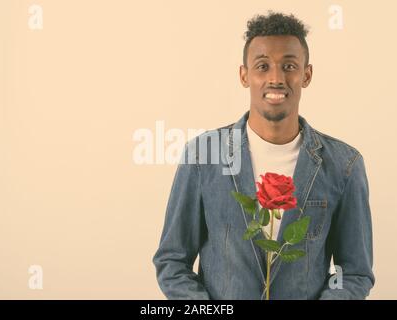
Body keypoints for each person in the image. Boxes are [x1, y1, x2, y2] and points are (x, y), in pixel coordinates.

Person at [153, 11, 375, 299]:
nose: (276, 78)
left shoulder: (344, 165)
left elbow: (355, 273)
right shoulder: (202, 156)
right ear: (244, 75)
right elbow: (172, 261)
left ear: (306, 75)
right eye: (262, 66)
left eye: (289, 66)